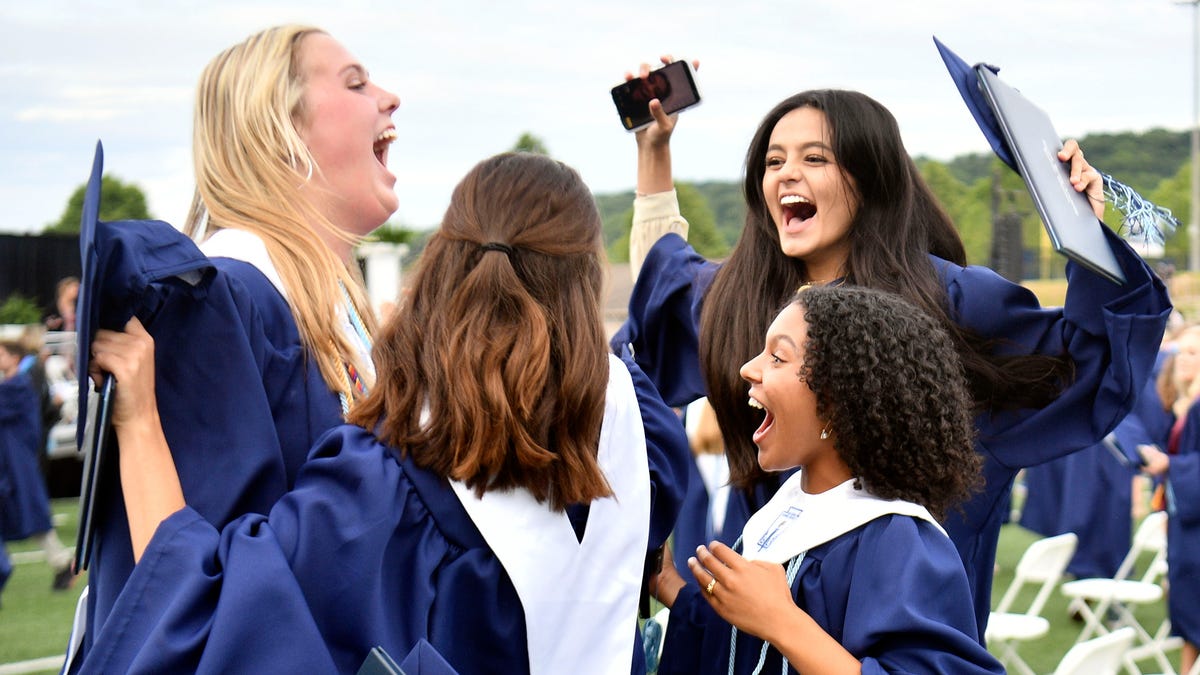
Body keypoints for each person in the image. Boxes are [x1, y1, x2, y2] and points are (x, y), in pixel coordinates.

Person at [612, 61, 1173, 638]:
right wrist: (654, 151)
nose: (786, 175)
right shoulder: (747, 299)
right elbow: (662, 299)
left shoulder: (946, 301)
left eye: (815, 158)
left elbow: (1083, 361)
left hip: (899, 606)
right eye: (773, 161)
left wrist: (1081, 222)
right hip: (760, 613)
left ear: (869, 177)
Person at [77, 152, 689, 674]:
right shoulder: (639, 424)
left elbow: (208, 625)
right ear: (584, 275)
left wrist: (139, 424)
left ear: (445, 264)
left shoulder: (385, 484)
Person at [66, 24, 402, 670]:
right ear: (280, 130)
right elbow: (190, 599)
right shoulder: (225, 304)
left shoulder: (330, 318)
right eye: (355, 83)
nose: (390, 98)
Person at [649, 285, 1003, 673]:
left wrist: (782, 621)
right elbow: (737, 651)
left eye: (778, 357)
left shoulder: (895, 541)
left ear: (835, 399)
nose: (748, 368)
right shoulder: (783, 512)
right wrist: (668, 583)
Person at [1141, 324, 1200, 675]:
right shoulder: (1182, 406)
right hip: (1184, 526)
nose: (1181, 360)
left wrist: (1170, 465)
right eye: (1180, 351)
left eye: (1193, 353)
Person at [0, 340, 74, 591]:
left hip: (18, 464)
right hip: (10, 464)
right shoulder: (14, 385)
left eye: (1, 354)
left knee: (34, 516)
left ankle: (62, 562)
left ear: (14, 357)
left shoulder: (18, 386)